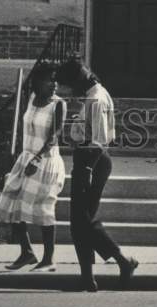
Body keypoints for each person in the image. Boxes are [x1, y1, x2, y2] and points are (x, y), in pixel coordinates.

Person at [56, 54, 138, 292]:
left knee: (83, 220)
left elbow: (97, 141)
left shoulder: (96, 100)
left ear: (79, 80)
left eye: (70, 85)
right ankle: (87, 277)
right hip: (87, 159)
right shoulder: (93, 95)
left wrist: (86, 170)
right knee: (78, 223)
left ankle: (124, 261)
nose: (70, 91)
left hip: (92, 160)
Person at [0, 62, 66, 271]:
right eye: (50, 79)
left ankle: (49, 259)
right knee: (12, 205)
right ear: (38, 82)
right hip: (26, 158)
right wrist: (24, 157)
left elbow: (54, 135)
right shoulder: (32, 99)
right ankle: (27, 253)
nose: (54, 84)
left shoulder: (58, 104)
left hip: (46, 162)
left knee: (44, 210)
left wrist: (38, 158)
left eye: (56, 80)